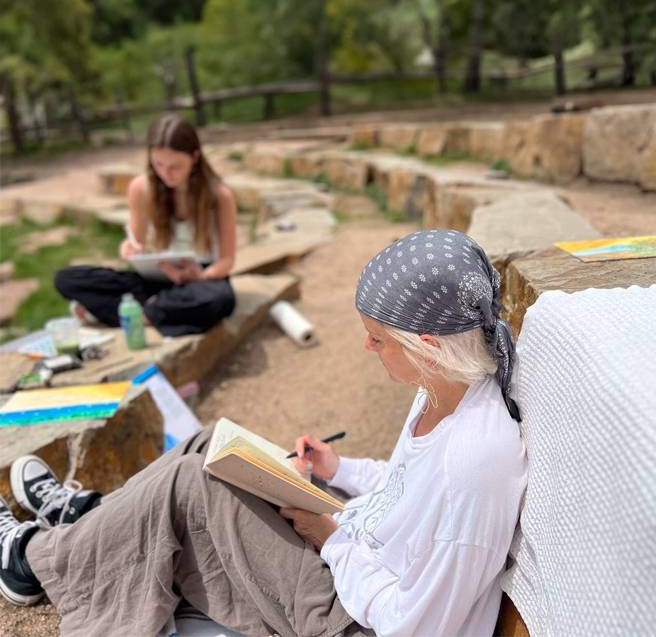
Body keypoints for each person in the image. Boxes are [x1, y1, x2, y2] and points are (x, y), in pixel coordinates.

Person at [0, 230, 527, 637]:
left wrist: (331, 537)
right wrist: (336, 470)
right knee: (209, 442)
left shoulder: (475, 460)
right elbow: (410, 489)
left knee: (193, 483)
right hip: (359, 545)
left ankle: (32, 564)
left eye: (377, 339)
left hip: (352, 619)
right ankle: (89, 520)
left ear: (428, 345)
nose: (368, 350)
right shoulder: (447, 385)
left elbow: (417, 625)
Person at [54, 113, 237, 337]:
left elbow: (227, 261)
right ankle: (157, 311)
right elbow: (136, 242)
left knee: (220, 299)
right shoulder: (141, 188)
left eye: (176, 166)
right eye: (158, 164)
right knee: (67, 279)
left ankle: (138, 315)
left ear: (195, 157)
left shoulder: (219, 194)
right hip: (156, 279)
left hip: (202, 280)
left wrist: (200, 276)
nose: (166, 174)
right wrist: (129, 248)